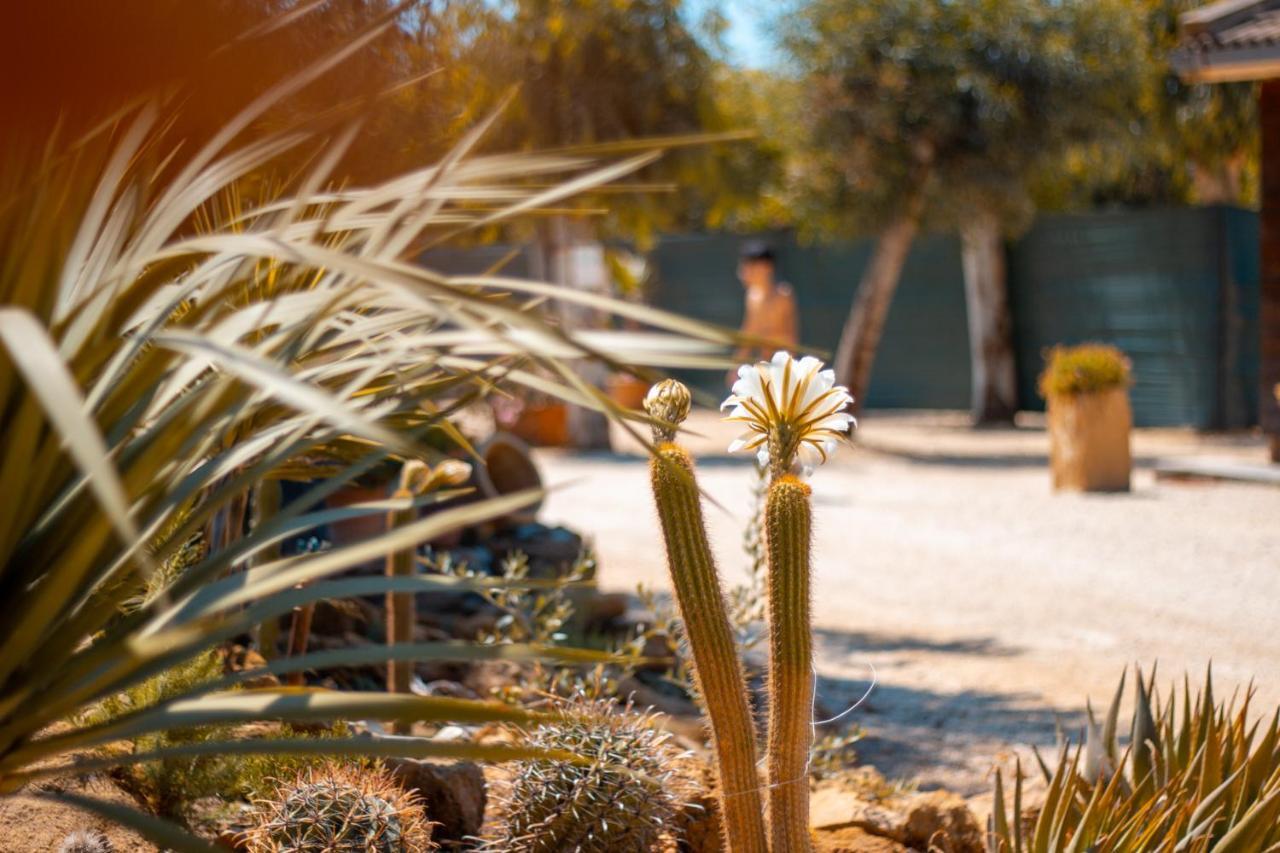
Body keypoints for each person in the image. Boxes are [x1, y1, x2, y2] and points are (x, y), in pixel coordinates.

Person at [731, 241, 798, 381]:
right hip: (761, 368)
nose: (743, 272)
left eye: (750, 266)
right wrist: (735, 366)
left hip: (783, 370)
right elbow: (748, 334)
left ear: (766, 267)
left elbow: (791, 339)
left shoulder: (783, 295)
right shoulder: (752, 296)